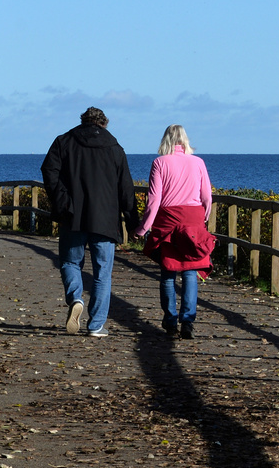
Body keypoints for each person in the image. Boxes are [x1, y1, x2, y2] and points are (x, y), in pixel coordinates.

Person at [41, 107, 138, 337]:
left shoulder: (64, 142)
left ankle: (75, 297)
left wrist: (63, 201)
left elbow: (49, 170)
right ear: (104, 124)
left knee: (70, 263)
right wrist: (133, 222)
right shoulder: (115, 148)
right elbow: (126, 189)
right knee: (102, 273)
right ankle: (96, 325)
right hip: (105, 220)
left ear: (83, 121)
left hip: (72, 216)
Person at [133, 124, 215, 339]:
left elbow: (154, 200)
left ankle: (170, 321)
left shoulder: (160, 163)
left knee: (168, 272)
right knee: (190, 270)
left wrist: (143, 229)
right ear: (185, 140)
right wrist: (203, 219)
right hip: (194, 219)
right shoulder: (198, 162)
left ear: (165, 140)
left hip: (168, 219)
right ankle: (187, 320)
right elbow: (207, 196)